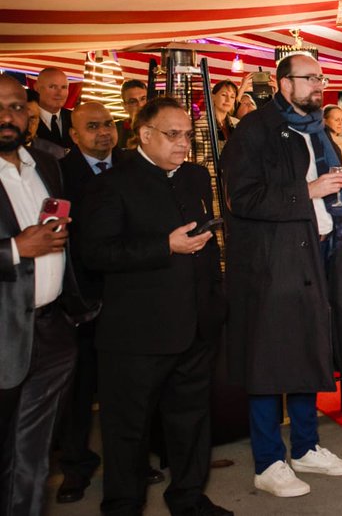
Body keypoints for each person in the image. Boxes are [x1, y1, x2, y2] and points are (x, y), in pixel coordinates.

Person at [79, 96, 230, 516]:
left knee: (191, 422)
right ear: (145, 135)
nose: (183, 143)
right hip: (136, 333)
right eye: (173, 134)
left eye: (187, 135)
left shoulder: (197, 177)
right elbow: (95, 252)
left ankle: (188, 497)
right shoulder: (111, 183)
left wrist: (216, 301)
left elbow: (207, 242)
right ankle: (123, 505)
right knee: (127, 430)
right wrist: (165, 246)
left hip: (196, 325)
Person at [223, 54, 342, 498]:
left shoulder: (319, 130)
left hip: (322, 250)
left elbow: (334, 188)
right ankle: (267, 461)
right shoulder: (254, 130)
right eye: (309, 78)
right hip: (273, 260)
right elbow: (241, 199)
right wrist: (307, 192)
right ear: (284, 84)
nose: (319, 84)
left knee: (310, 348)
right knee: (268, 357)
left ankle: (305, 446)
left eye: (321, 77)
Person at [0, 75, 96, 516]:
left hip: (55, 328)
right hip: (5, 331)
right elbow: (26, 245)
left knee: (34, 452)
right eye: (0, 106)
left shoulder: (47, 163)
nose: (8, 116)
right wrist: (19, 249)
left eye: (18, 107)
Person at [55, 102, 135, 505]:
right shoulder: (59, 173)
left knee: (126, 388)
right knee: (80, 390)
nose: (103, 132)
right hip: (80, 296)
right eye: (92, 127)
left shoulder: (131, 164)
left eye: (108, 125)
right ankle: (75, 466)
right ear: (74, 134)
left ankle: (129, 464)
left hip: (130, 291)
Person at [35, 67, 73, 148]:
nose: (59, 93)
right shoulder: (25, 119)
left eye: (64, 87)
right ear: (37, 88)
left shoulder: (75, 118)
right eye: (53, 87)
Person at [117, 80, 148, 149]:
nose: (140, 105)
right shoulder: (117, 131)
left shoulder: (159, 128)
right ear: (124, 106)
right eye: (133, 101)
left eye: (143, 99)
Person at [211, 80, 239, 146]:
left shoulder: (238, 124)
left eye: (232, 97)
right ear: (213, 97)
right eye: (224, 95)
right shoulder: (202, 124)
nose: (228, 100)